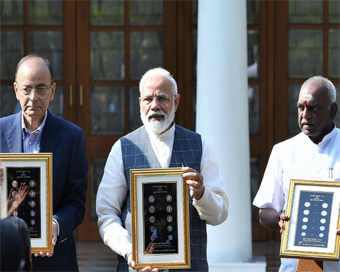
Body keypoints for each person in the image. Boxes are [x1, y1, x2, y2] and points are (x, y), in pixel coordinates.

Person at [96, 67, 229, 272]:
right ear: (140, 103)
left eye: (163, 99)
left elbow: (220, 214)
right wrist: (131, 252)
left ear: (176, 102)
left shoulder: (199, 145)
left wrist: (202, 194)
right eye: (148, 99)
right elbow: (107, 214)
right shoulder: (122, 148)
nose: (155, 106)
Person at [0, 54, 88, 271]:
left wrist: (55, 225)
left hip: (56, 259)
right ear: (16, 90)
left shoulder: (72, 137)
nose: (33, 97)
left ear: (53, 91)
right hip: (5, 255)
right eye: (26, 89)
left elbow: (77, 202)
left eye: (41, 89)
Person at [253, 76, 340, 272]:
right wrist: (280, 218)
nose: (305, 115)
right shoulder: (283, 151)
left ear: (332, 111)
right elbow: (264, 212)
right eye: (301, 107)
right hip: (294, 267)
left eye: (315, 108)